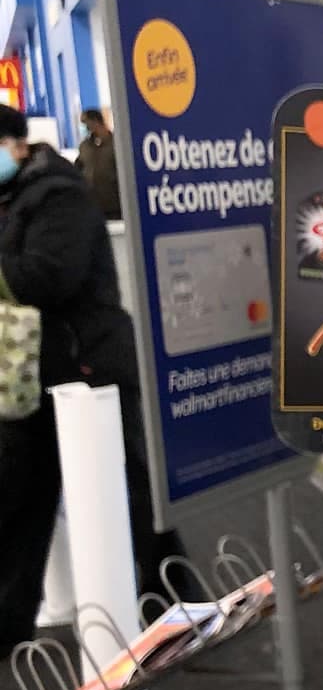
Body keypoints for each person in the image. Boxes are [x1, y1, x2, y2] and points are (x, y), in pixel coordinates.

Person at [0, 103, 186, 653]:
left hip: (89, 368)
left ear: (15, 144)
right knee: (20, 501)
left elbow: (47, 277)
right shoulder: (14, 199)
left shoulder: (58, 193)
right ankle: (10, 623)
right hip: (31, 378)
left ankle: (170, 607)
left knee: (130, 492)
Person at [75, 108, 122, 221]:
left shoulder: (116, 144)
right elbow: (78, 169)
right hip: (93, 207)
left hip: (114, 205)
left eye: (86, 122)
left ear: (95, 121)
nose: (85, 127)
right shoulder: (84, 146)